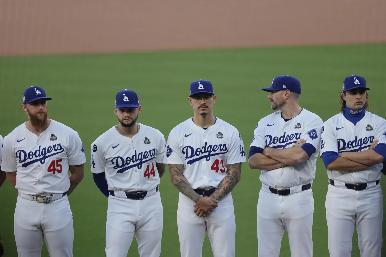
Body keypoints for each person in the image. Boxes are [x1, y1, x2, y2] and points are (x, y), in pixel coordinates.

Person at [1, 85, 86, 257]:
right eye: (35, 104)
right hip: (26, 207)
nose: (41, 107)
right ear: (24, 107)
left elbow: (78, 173)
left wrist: (60, 193)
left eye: (43, 103)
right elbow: (10, 173)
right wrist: (28, 192)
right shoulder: (12, 139)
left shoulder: (68, 134)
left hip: (58, 207)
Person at [166, 80, 245, 257]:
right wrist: (198, 199)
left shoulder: (230, 131)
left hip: (221, 203)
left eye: (206, 97)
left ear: (213, 99)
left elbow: (235, 173)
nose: (202, 101)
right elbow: (175, 175)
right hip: (189, 204)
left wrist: (212, 199)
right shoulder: (177, 132)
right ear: (190, 101)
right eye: (197, 97)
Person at [248, 75, 323, 257]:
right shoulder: (265, 122)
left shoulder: (313, 121)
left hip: (299, 197)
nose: (269, 96)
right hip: (267, 197)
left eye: (273, 92)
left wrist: (269, 151)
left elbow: (300, 156)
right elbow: (253, 161)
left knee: (302, 253)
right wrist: (288, 155)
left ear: (286, 94)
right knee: (265, 253)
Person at [91, 89, 166, 257]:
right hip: (119, 205)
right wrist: (115, 196)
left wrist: (146, 185)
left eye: (130, 110)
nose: (126, 114)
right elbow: (97, 175)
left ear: (139, 109)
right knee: (115, 254)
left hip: (151, 203)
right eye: (122, 110)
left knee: (152, 254)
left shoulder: (156, 136)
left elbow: (160, 168)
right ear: (115, 111)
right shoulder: (101, 143)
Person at [320, 75, 385, 257]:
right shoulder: (330, 125)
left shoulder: (380, 123)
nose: (358, 96)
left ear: (366, 95)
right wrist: (368, 157)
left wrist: (346, 155)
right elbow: (331, 162)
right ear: (343, 95)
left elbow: (380, 155)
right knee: (338, 253)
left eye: (361, 92)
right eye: (353, 92)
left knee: (372, 252)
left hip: (371, 194)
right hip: (339, 195)